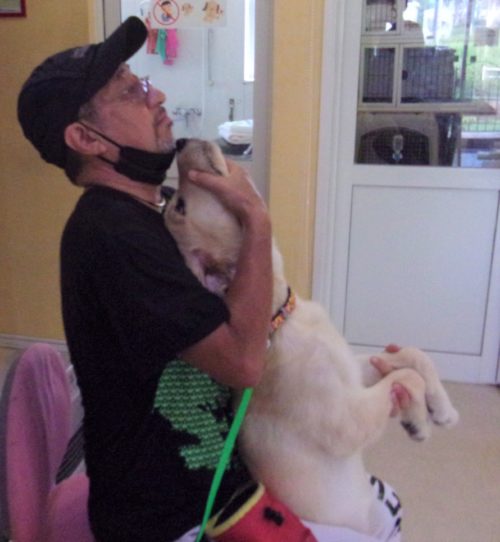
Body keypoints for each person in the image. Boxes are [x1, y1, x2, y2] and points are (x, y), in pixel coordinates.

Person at [17, 16, 273, 542]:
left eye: (144, 82)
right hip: (169, 519)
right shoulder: (114, 235)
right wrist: (256, 220)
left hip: (213, 487)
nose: (156, 97)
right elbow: (244, 363)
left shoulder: (152, 211)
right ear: (86, 138)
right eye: (130, 91)